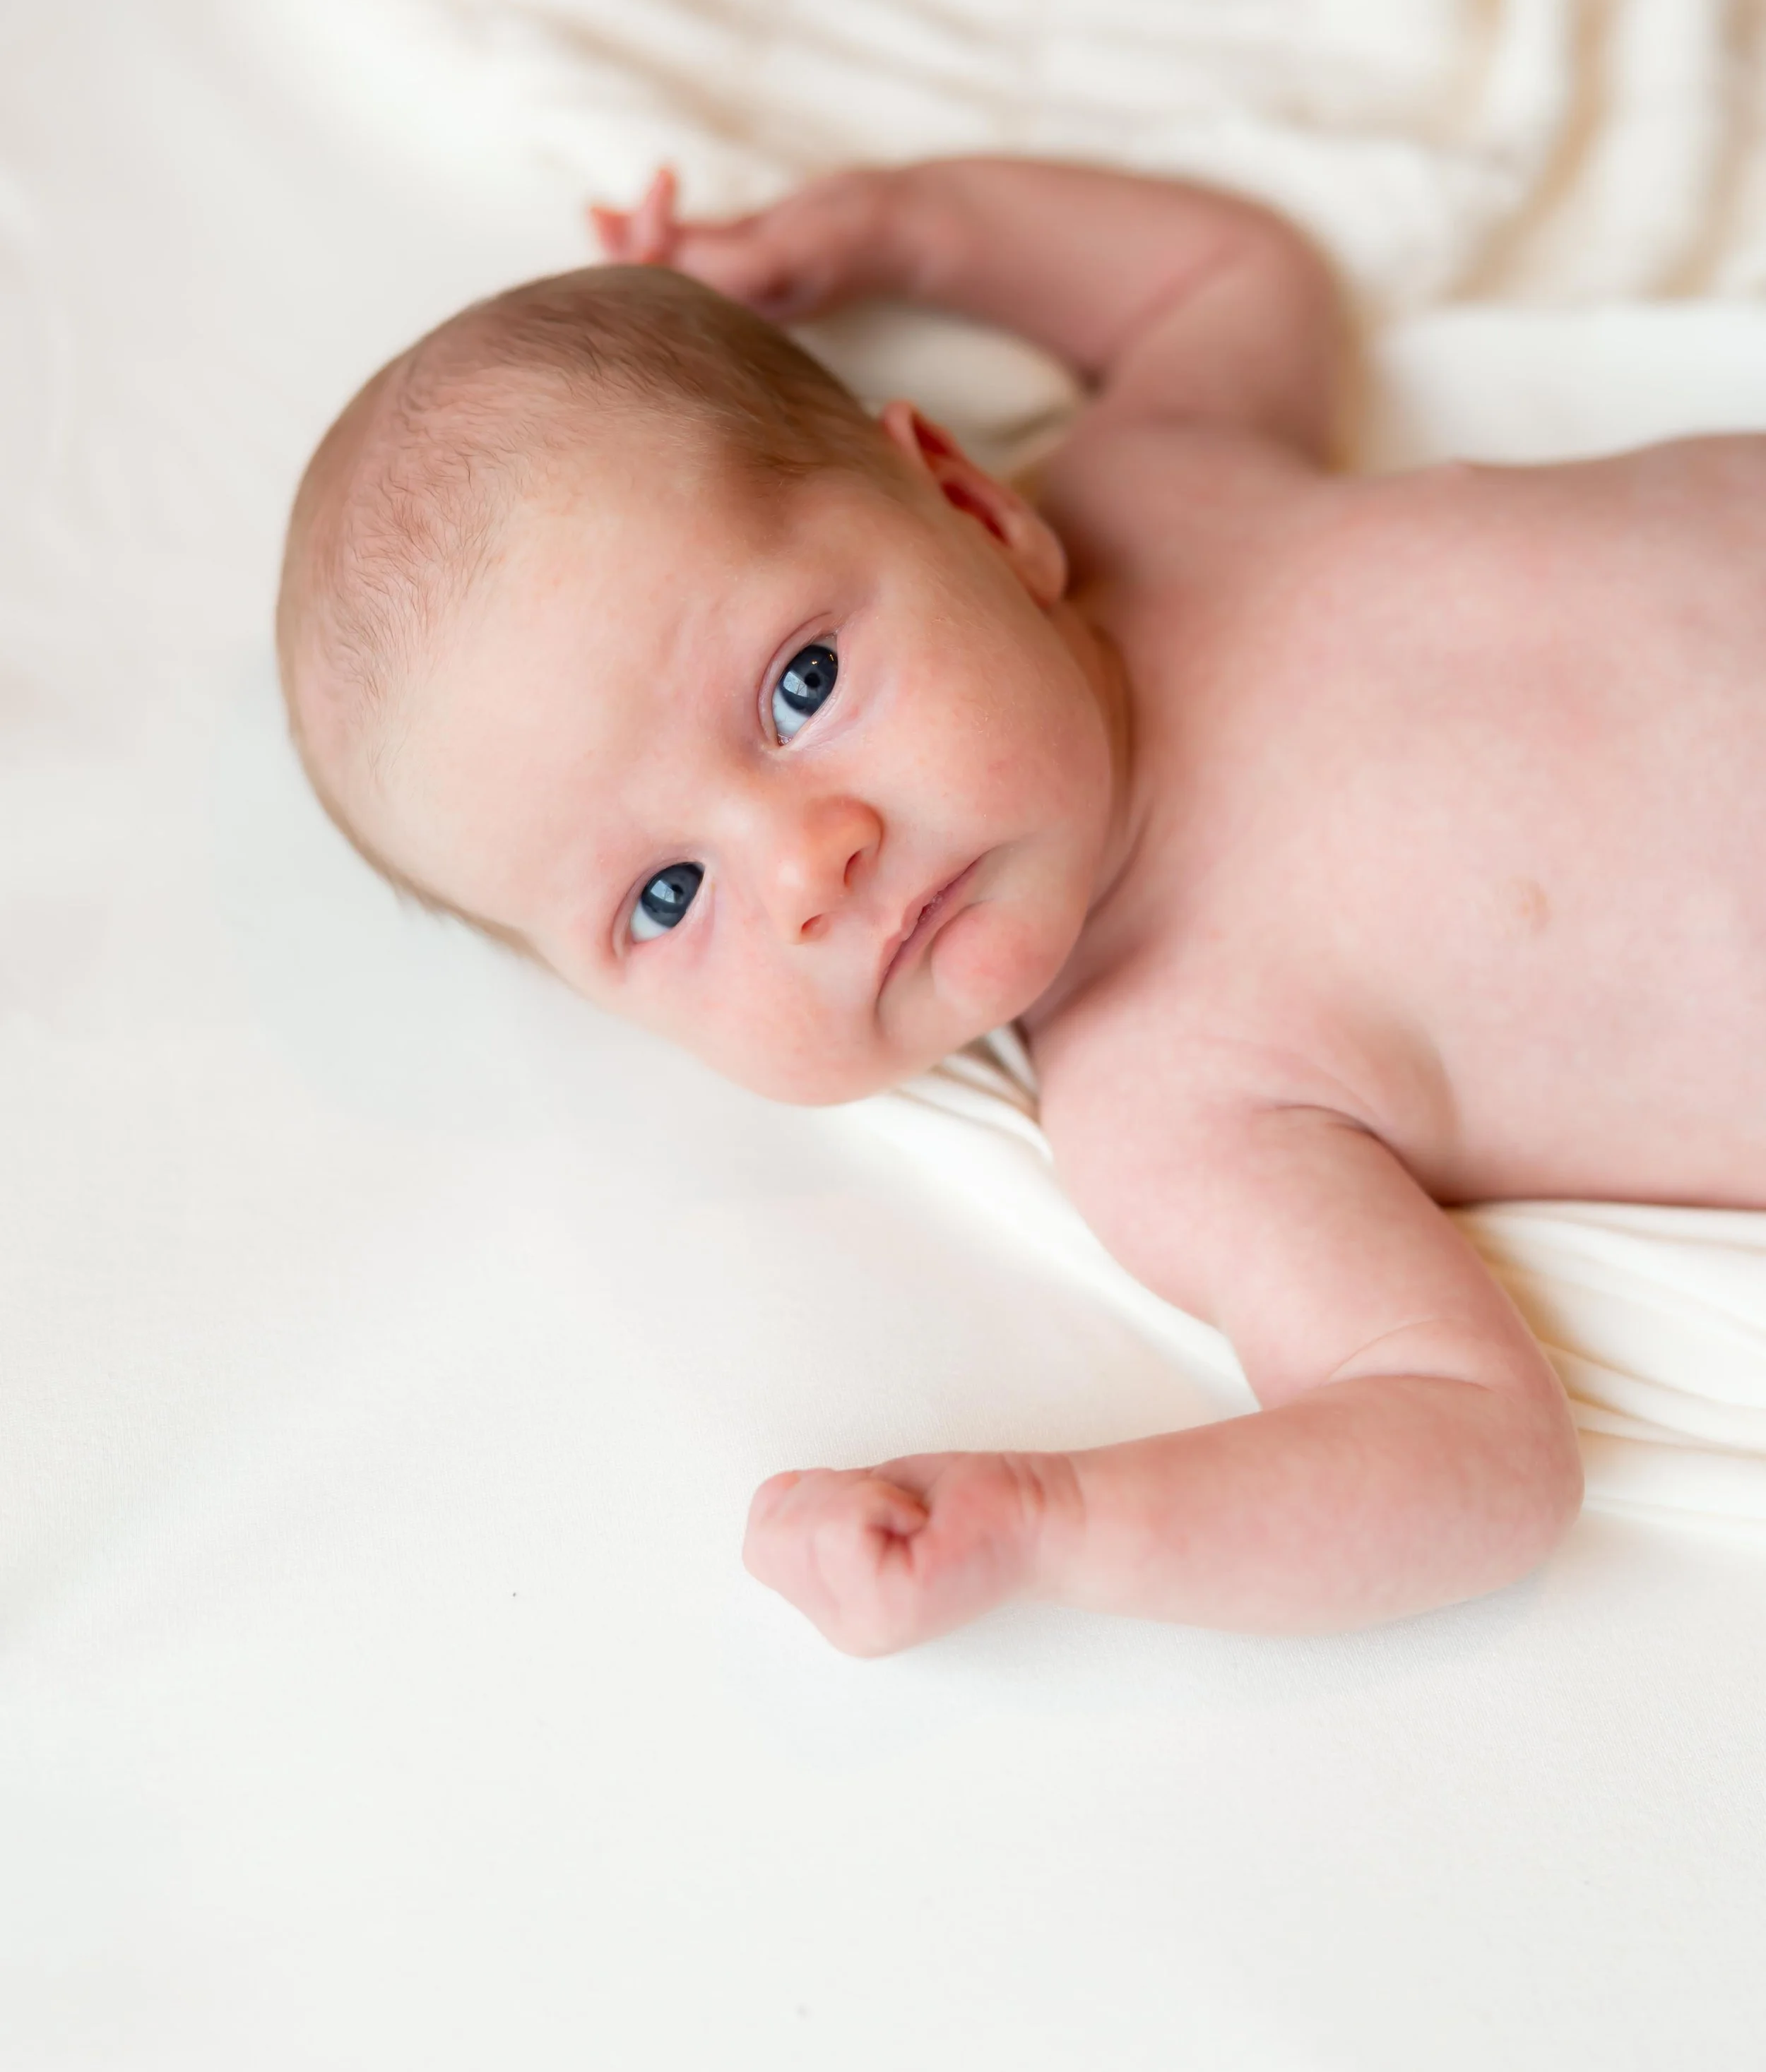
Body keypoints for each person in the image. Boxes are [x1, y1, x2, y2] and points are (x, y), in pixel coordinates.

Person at [278, 155, 1766, 1656]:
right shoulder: (1178, 1098)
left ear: (974, 512)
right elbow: (1471, 1449)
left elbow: (1226, 280)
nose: (807, 868)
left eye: (801, 687)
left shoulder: (1161, 491)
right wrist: (1046, 1523)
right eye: (668, 897)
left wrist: (895, 234)